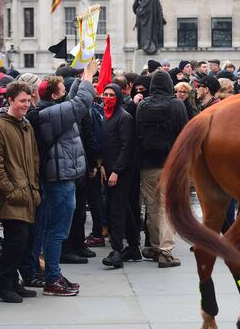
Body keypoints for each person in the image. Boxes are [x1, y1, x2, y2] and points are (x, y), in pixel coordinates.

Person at [30, 60, 98, 296]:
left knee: (56, 230)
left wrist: (80, 79)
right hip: (58, 181)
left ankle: (54, 274)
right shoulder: (50, 114)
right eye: (62, 87)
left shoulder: (53, 108)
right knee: (56, 232)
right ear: (54, 95)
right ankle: (51, 279)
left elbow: (71, 98)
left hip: (64, 179)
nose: (65, 90)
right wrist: (88, 76)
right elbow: (80, 103)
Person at [0, 81, 41, 303]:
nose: (26, 105)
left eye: (28, 101)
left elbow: (34, 159)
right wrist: (10, 191)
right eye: (22, 101)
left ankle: (12, 282)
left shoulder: (26, 125)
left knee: (22, 242)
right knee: (14, 241)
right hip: (11, 196)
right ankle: (3, 284)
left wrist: (34, 187)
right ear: (10, 101)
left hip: (26, 193)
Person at [136, 70, 188, 267]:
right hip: (170, 163)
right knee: (168, 207)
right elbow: (184, 135)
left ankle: (156, 246)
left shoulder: (143, 104)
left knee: (152, 207)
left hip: (147, 164)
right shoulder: (176, 104)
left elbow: (137, 132)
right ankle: (166, 251)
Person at [99, 84, 137, 269]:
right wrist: (102, 165)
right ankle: (134, 246)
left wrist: (116, 171)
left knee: (117, 210)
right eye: (105, 94)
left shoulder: (123, 117)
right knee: (124, 207)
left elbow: (126, 147)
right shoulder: (105, 116)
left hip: (121, 171)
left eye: (111, 95)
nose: (107, 97)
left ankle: (117, 250)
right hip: (109, 168)